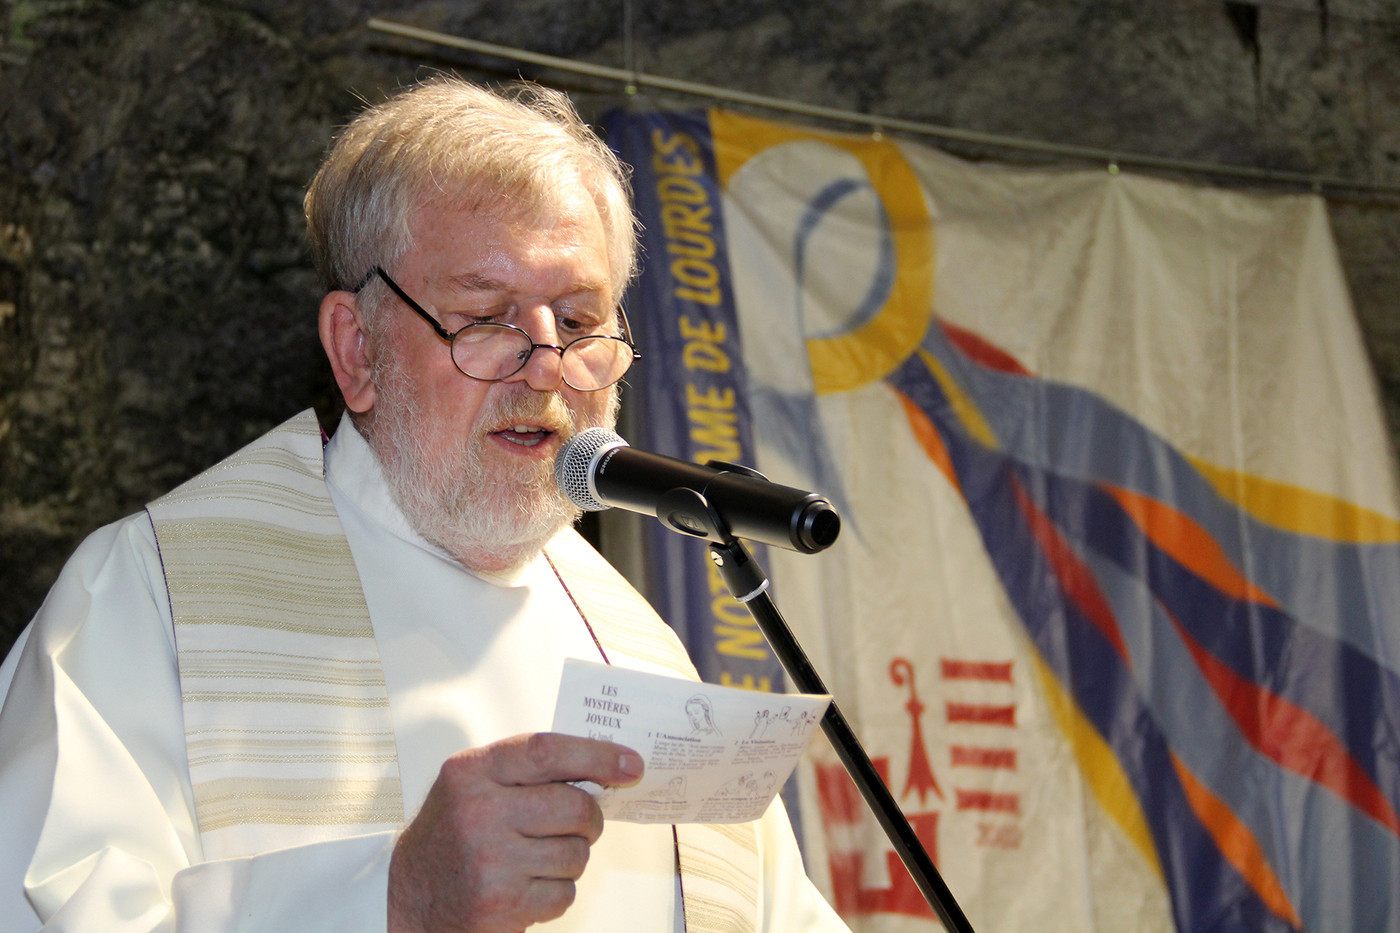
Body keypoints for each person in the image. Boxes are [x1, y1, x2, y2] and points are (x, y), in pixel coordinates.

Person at [0, 76, 851, 932]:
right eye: (486, 317)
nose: (548, 367)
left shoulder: (642, 655)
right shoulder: (148, 602)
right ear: (357, 348)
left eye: (580, 318)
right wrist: (393, 900)